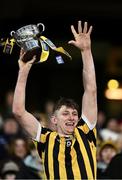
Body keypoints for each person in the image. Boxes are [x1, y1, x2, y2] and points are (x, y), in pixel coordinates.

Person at [13, 21, 97, 179]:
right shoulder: (45, 138)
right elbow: (18, 112)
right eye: (65, 114)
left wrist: (86, 51)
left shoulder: (85, 131)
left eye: (74, 113)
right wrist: (23, 71)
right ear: (54, 119)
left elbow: (91, 90)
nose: (71, 117)